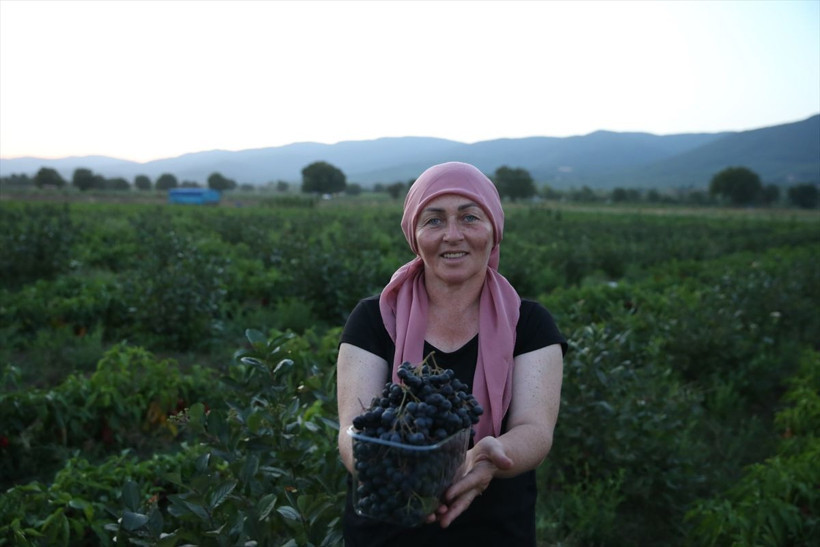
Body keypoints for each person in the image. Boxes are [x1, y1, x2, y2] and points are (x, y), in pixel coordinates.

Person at [336, 161, 566, 546]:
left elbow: (535, 430)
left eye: (470, 217)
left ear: (494, 231)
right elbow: (352, 430)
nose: (453, 235)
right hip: (387, 531)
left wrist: (493, 456)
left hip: (493, 531)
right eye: (434, 221)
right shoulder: (373, 319)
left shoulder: (530, 324)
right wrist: (408, 471)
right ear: (414, 234)